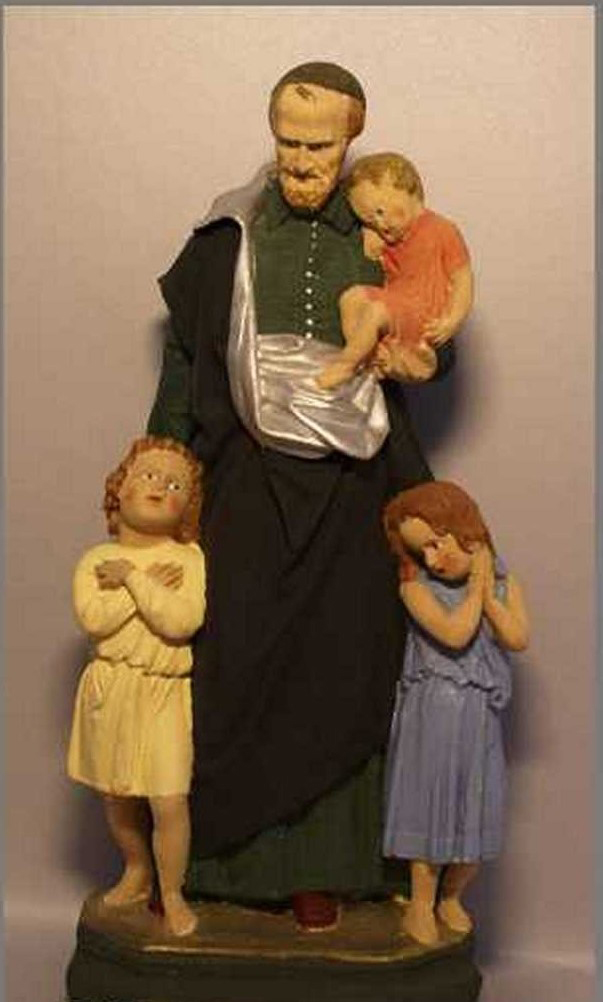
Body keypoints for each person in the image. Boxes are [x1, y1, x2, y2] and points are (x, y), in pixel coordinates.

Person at [147, 62, 453, 932]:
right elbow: (184, 355)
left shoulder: (391, 231)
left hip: (352, 483)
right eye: (288, 140)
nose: (301, 159)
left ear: (352, 137)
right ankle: (221, 862)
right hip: (246, 475)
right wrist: (165, 453)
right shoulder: (231, 232)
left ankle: (323, 867)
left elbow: (433, 330)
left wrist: (421, 358)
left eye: (318, 144)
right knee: (232, 652)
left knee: (342, 661)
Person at [67, 436, 206, 937]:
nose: (161, 486)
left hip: (163, 690)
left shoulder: (188, 558)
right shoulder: (96, 559)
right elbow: (95, 618)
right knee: (117, 794)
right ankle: (136, 870)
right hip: (111, 688)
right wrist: (138, 581)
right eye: (148, 474)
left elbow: (181, 621)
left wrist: (130, 579)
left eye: (176, 485)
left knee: (168, 799)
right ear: (119, 488)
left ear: (187, 507)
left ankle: (172, 893)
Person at [382, 481, 529, 946]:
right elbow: (456, 634)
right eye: (420, 550)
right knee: (431, 806)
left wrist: (488, 592)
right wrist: (478, 590)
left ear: (464, 528)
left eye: (436, 542)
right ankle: (420, 904)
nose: (431, 559)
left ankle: (451, 896)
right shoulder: (415, 589)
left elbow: (517, 637)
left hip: (478, 716)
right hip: (434, 713)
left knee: (474, 804)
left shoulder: (503, 583)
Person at [317, 152, 473, 390]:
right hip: (398, 305)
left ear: (409, 191)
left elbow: (462, 279)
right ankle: (370, 355)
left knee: (377, 311)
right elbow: (372, 252)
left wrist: (452, 320)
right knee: (351, 297)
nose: (380, 224)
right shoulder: (387, 240)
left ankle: (346, 365)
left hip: (424, 314)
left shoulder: (442, 230)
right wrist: (369, 234)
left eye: (380, 212)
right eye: (370, 220)